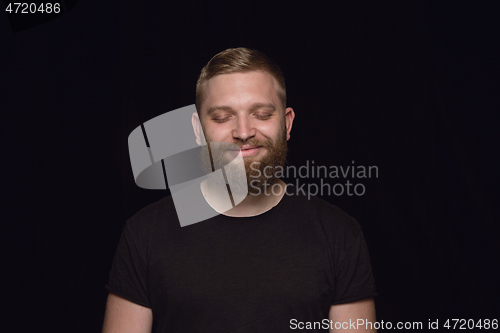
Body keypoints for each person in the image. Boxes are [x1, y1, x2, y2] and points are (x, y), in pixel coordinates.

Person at [102, 47, 377, 332]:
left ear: (286, 123)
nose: (243, 132)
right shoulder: (145, 234)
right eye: (222, 117)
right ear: (198, 130)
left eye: (261, 114)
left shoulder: (339, 234)